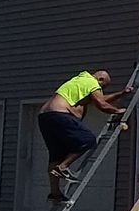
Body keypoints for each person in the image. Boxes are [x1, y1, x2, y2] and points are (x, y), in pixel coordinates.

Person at [38, 69, 130, 201]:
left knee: (56, 154)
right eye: (102, 88)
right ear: (101, 80)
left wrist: (121, 94)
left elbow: (99, 99)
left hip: (45, 116)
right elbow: (102, 104)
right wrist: (118, 111)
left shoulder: (81, 81)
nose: (101, 90)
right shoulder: (91, 83)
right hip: (60, 114)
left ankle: (55, 192)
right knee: (88, 140)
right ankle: (63, 167)